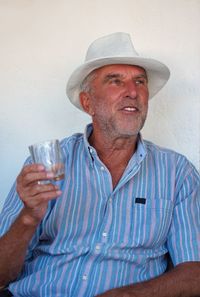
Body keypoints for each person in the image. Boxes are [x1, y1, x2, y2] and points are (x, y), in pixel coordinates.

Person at [0, 32, 199, 297]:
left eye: (139, 82)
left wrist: (129, 295)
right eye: (115, 81)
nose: (132, 92)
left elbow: (194, 273)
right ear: (87, 103)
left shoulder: (177, 173)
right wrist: (28, 218)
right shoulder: (47, 166)